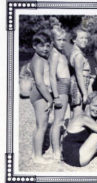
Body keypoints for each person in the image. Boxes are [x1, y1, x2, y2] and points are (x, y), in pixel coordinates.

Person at [29, 31, 53, 163]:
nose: (45, 49)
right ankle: (38, 156)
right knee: (42, 126)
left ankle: (35, 153)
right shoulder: (38, 60)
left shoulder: (40, 58)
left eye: (48, 46)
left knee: (39, 125)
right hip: (40, 95)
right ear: (34, 46)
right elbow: (39, 82)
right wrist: (49, 98)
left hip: (39, 95)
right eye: (42, 46)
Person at [48, 26, 71, 160]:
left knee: (60, 120)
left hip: (65, 86)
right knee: (58, 120)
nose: (62, 42)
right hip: (60, 86)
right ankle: (56, 151)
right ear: (52, 41)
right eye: (59, 40)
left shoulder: (61, 53)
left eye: (64, 40)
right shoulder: (55, 54)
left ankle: (55, 147)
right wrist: (56, 96)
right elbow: (52, 76)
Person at [69, 27, 91, 118]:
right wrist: (85, 93)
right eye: (81, 38)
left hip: (80, 86)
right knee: (77, 115)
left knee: (76, 114)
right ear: (74, 40)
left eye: (86, 38)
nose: (85, 40)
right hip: (78, 87)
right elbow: (79, 75)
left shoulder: (76, 52)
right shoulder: (78, 55)